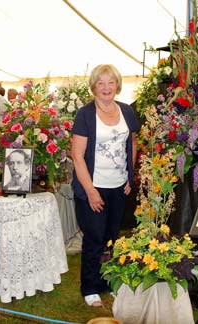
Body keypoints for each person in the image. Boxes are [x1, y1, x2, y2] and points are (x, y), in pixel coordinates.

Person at [71, 64, 140, 307]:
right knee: (95, 237)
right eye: (101, 83)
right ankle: (89, 287)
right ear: (93, 87)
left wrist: (129, 177)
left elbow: (131, 144)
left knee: (113, 237)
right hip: (93, 186)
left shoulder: (127, 112)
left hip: (119, 186)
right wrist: (90, 191)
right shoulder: (85, 114)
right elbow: (77, 156)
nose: (106, 87)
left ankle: (108, 281)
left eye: (111, 82)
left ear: (117, 85)